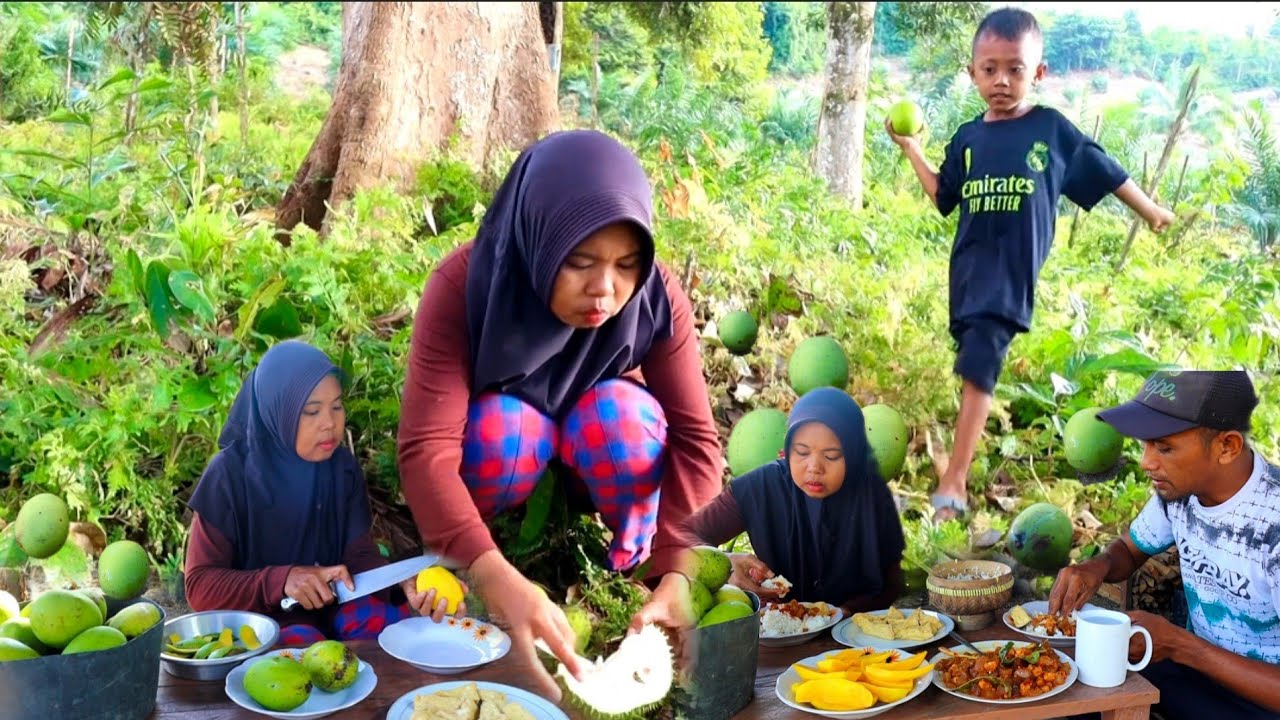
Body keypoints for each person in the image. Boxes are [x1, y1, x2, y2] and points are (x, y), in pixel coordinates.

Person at [395, 129, 725, 691]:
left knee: (623, 422)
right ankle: (473, 549)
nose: (605, 290)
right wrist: (494, 576)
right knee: (503, 430)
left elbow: (697, 441)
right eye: (579, 261)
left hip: (596, 448)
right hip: (505, 452)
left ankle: (631, 566)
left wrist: (679, 568)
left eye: (626, 264)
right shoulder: (464, 285)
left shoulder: (655, 296)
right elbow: (427, 449)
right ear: (538, 239)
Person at [885, 7, 1176, 521]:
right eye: (989, 68)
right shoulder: (967, 139)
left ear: (1037, 74)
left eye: (1015, 69)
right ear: (971, 72)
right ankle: (968, 443)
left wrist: (1150, 210)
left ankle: (953, 483)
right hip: (968, 273)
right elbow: (942, 194)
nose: (1001, 80)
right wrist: (911, 148)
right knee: (973, 358)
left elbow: (1106, 170)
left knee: (980, 362)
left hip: (1009, 276)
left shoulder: (1050, 130)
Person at [185, 340, 464, 647]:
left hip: (337, 606)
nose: (330, 423)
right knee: (298, 652)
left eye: (336, 406)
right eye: (311, 411)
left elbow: (359, 557)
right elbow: (200, 587)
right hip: (263, 620)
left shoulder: (341, 469)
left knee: (397, 635)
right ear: (278, 412)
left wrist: (403, 584)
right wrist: (282, 581)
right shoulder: (228, 476)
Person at [1049, 369, 1280, 718]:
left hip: (1261, 703)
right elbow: (1128, 549)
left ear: (1226, 447)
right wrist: (1096, 566)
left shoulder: (1272, 526)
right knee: (1071, 688)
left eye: (1164, 447)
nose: (1146, 462)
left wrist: (1179, 645)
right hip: (1195, 678)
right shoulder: (1181, 492)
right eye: (1145, 445)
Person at [679, 387, 906, 615]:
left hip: (852, 638)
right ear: (785, 452)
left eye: (831, 455)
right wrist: (725, 564)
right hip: (775, 634)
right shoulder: (759, 488)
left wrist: (844, 613)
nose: (814, 467)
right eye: (802, 451)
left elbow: (890, 583)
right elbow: (682, 536)